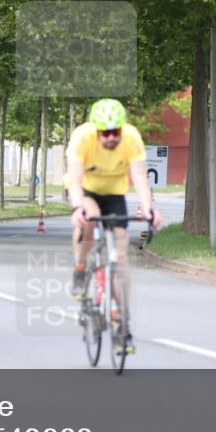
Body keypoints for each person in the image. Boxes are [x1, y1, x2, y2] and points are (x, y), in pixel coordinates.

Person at [66, 99, 162, 353]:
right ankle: (79, 268)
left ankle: (121, 323)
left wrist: (148, 208)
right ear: (96, 130)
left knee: (119, 257)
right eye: (105, 133)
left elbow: (140, 177)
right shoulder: (81, 138)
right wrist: (77, 208)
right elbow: (74, 181)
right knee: (88, 217)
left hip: (115, 195)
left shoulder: (131, 138)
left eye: (115, 131)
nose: (111, 137)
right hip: (86, 191)